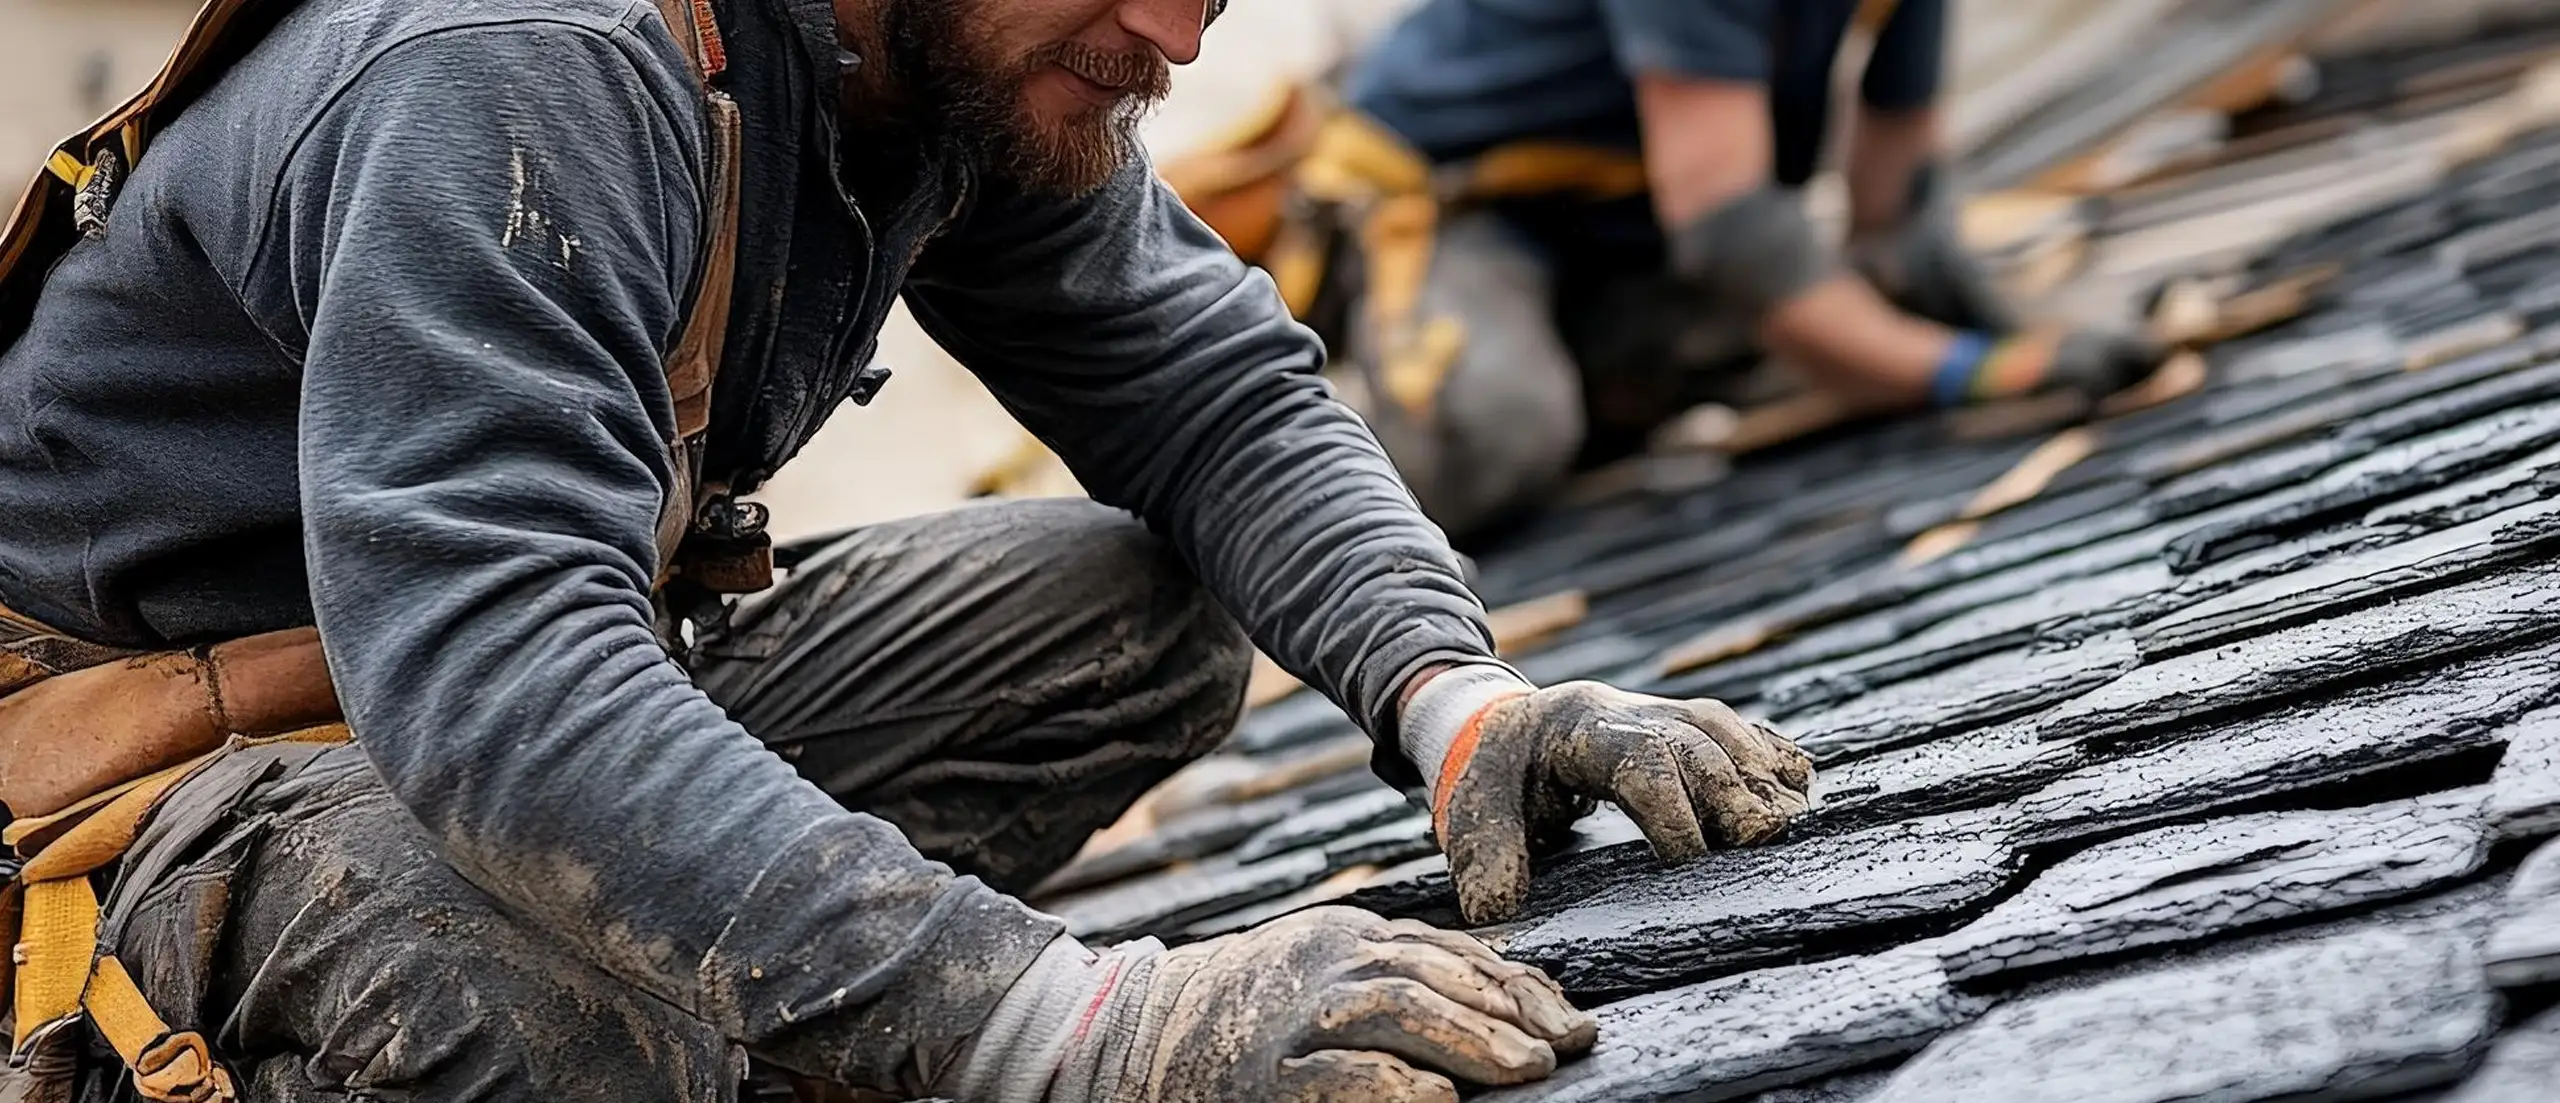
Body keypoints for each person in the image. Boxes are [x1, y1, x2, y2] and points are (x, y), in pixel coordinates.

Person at [0, 0, 1814, 1100]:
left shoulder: (929, 68)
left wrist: (1459, 696)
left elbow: (1208, 391)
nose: (1178, 39)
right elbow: (500, 672)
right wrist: (1076, 1033)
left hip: (466, 709)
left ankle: (748, 991)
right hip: (142, 798)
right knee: (535, 1007)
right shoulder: (516, 67)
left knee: (1123, 614)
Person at [1315, 0, 2165, 538]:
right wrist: (1983, 371)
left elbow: (1895, 220)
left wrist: (2018, 334)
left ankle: (1600, 378)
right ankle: (1361, 452)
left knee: (1821, 328)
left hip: (1634, 222)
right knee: (1499, 436)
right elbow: (1736, 239)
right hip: (1466, 208)